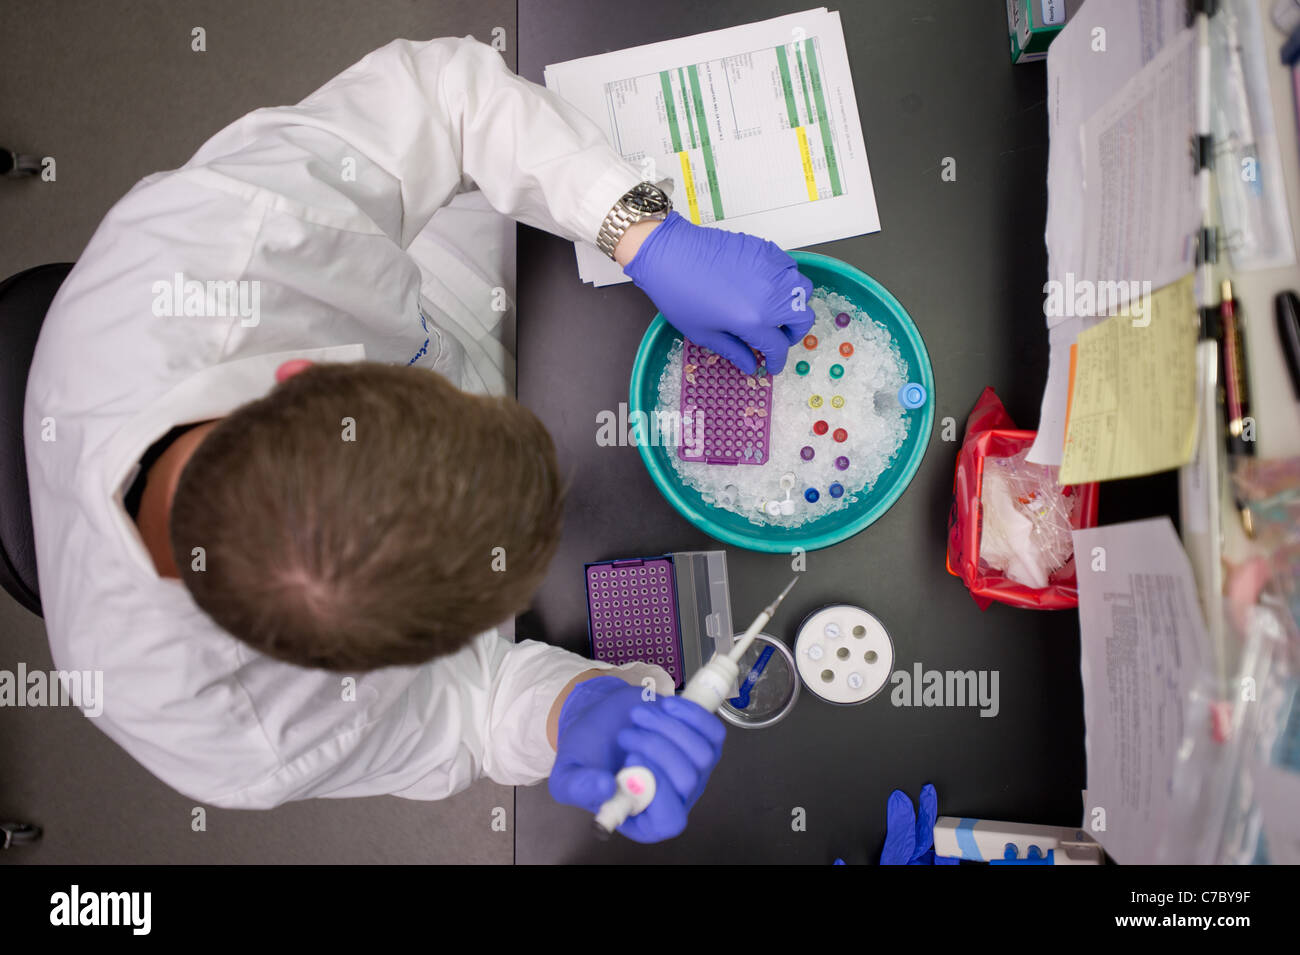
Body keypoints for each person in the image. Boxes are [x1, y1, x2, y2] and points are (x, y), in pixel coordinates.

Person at [25, 35, 812, 842]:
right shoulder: (232, 734)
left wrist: (638, 231)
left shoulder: (214, 248)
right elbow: (467, 713)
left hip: (455, 304)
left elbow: (443, 99)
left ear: (299, 373)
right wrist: (569, 711)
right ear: (351, 666)